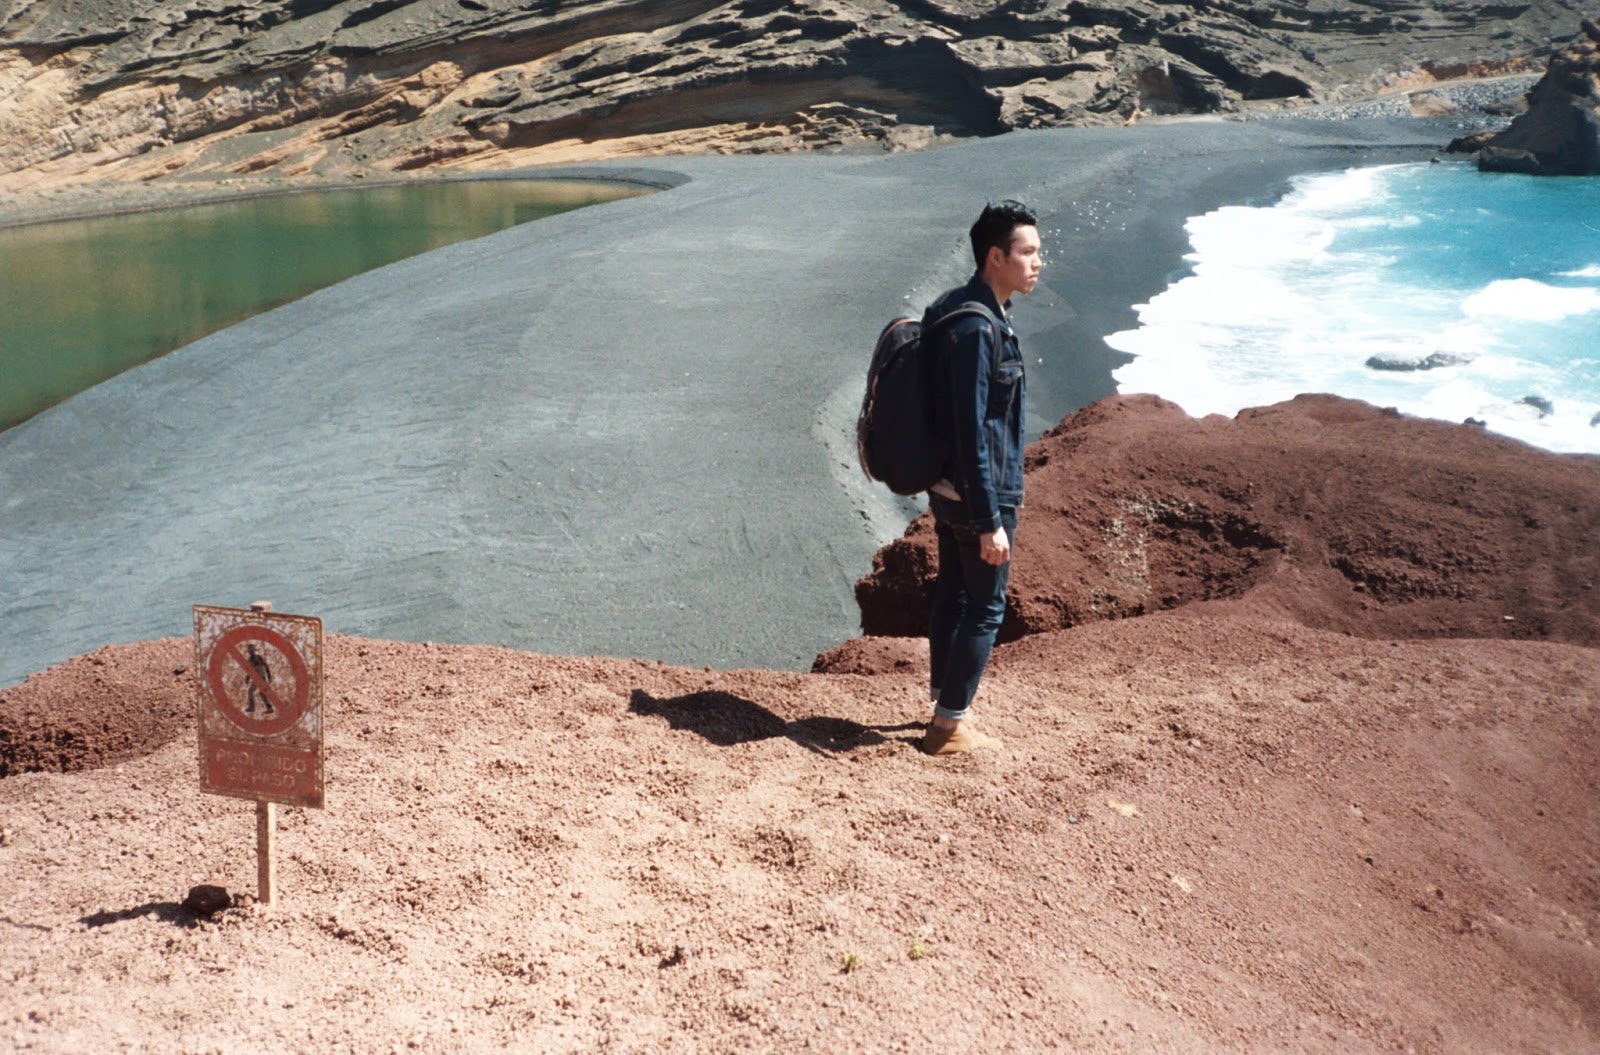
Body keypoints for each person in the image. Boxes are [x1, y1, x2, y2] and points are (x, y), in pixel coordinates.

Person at [921, 200, 1043, 756]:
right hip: (978, 491)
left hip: (947, 487)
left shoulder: (952, 308)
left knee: (952, 590)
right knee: (987, 605)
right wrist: (990, 517)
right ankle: (948, 727)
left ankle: (942, 703)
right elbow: (972, 430)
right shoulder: (977, 327)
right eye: (1028, 252)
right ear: (996, 257)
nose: (1038, 262)